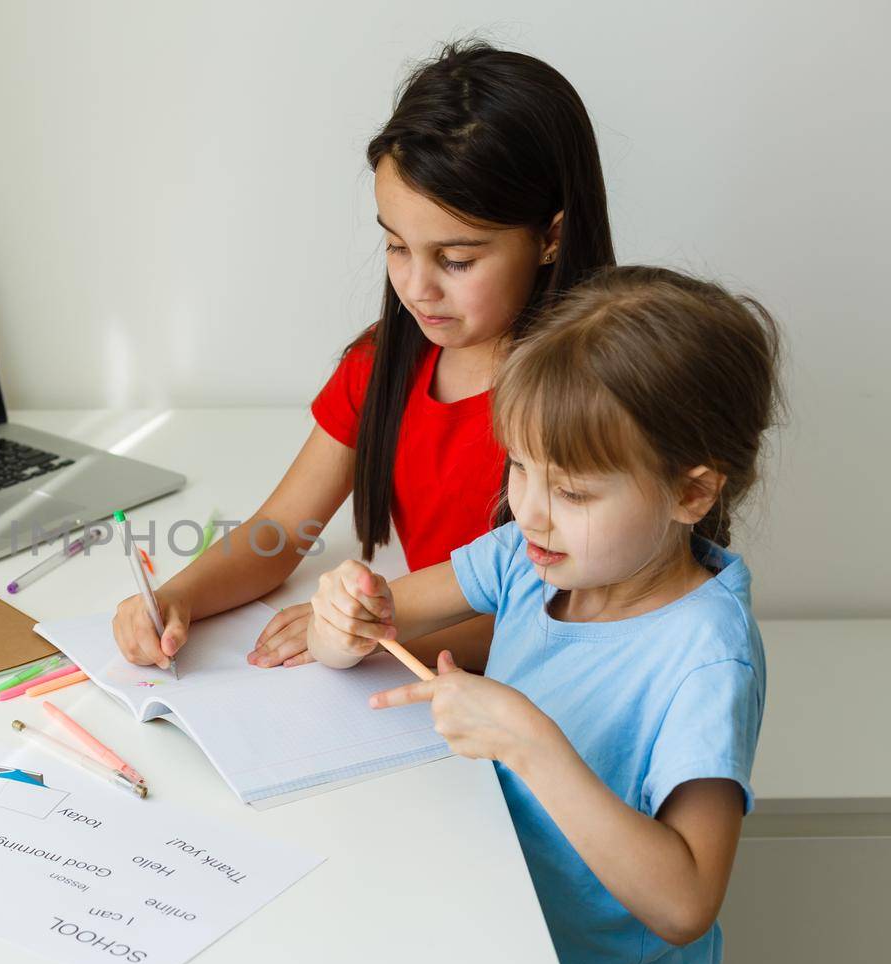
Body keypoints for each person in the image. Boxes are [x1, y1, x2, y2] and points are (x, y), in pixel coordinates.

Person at [310, 267, 782, 964]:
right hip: (495, 961)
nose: (526, 508)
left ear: (691, 493)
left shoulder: (704, 656)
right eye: (518, 466)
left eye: (571, 489)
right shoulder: (532, 558)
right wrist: (342, 612)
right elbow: (364, 628)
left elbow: (684, 901)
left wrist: (528, 739)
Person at [112, 41, 614, 674]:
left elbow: (568, 610)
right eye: (397, 246)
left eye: (457, 260)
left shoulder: (596, 399)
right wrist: (176, 597)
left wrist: (371, 635)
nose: (417, 288)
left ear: (550, 237)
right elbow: (280, 532)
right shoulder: (383, 364)